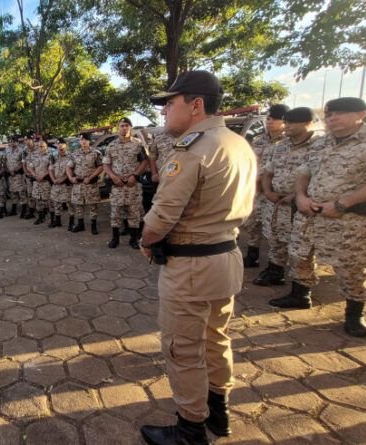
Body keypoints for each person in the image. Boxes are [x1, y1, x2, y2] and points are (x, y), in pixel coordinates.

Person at [138, 71, 257, 444]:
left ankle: (190, 428)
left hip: (191, 266)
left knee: (183, 348)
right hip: (225, 257)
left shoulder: (194, 148)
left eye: (168, 103)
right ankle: (218, 412)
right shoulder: (237, 143)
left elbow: (162, 216)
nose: (163, 112)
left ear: (196, 105)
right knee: (216, 338)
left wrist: (146, 240)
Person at [283, 97, 366, 338]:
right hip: (310, 214)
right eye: (329, 115)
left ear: (361, 113)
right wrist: (300, 196)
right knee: (299, 255)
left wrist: (343, 203)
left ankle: (354, 313)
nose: (332, 119)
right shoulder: (321, 143)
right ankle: (300, 295)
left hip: (349, 219)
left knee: (353, 267)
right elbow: (304, 172)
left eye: (340, 113)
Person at [255, 108, 321, 287]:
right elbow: (268, 171)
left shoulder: (318, 146)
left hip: (299, 205)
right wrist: (268, 191)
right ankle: (276, 273)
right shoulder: (282, 145)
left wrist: (295, 196)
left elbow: (318, 176)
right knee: (275, 237)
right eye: (286, 122)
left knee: (301, 247)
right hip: (276, 202)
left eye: (292, 122)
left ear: (308, 123)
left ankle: (302, 290)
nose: (287, 126)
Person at [243, 104, 289, 268]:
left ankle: (275, 266)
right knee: (252, 223)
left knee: (274, 229)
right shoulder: (259, 140)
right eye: (268, 118)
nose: (270, 122)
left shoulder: (287, 142)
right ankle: (252, 256)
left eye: (275, 119)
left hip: (274, 192)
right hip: (256, 190)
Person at [103, 118, 149, 249]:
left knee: (133, 212)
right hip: (117, 185)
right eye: (121, 126)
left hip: (132, 185)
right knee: (115, 212)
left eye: (126, 126)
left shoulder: (138, 144)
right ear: (118, 128)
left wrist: (135, 175)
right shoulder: (111, 145)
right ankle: (115, 238)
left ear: (130, 128)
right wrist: (113, 177)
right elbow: (106, 164)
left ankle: (133, 239)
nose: (124, 128)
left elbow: (145, 162)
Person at [67, 133, 103, 234]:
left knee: (93, 205)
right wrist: (71, 178)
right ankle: (80, 224)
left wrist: (91, 177)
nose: (83, 142)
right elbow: (69, 167)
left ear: (89, 141)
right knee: (78, 205)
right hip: (78, 184)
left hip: (90, 184)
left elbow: (101, 166)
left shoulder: (96, 153)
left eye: (85, 140)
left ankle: (93, 225)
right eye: (81, 140)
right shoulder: (74, 154)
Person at [49, 138, 71, 229]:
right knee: (56, 202)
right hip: (56, 183)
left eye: (62, 144)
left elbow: (72, 170)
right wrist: (53, 180)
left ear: (66, 145)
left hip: (66, 183)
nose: (60, 146)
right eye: (58, 144)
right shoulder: (53, 156)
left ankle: (71, 221)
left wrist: (63, 179)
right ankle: (57, 221)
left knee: (69, 203)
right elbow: (50, 169)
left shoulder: (71, 156)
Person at [30, 139, 52, 225]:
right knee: (38, 199)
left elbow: (52, 168)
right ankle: (40, 217)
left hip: (46, 181)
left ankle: (52, 218)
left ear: (46, 146)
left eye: (42, 146)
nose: (40, 148)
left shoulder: (50, 156)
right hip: (37, 181)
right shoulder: (34, 156)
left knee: (49, 200)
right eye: (39, 146)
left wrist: (43, 176)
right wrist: (35, 176)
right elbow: (31, 167)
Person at [5, 139, 26, 217]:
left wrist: (15, 170)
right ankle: (13, 210)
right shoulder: (7, 150)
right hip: (10, 175)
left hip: (18, 174)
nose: (12, 143)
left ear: (17, 142)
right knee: (13, 192)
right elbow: (5, 161)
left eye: (14, 141)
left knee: (21, 192)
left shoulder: (22, 151)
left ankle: (24, 210)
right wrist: (9, 170)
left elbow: (23, 162)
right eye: (11, 141)